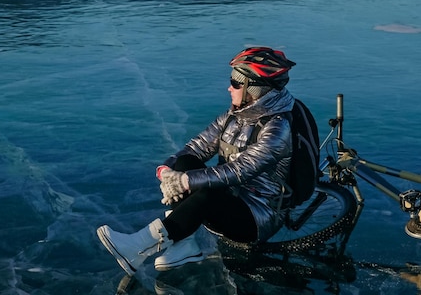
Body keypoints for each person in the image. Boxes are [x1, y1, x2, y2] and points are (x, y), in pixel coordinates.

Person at [97, 46, 297, 276]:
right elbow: (197, 147)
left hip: (258, 216)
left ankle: (139, 247)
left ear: (255, 89)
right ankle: (183, 246)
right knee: (186, 163)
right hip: (230, 198)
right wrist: (167, 169)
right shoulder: (235, 115)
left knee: (205, 192)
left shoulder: (277, 128)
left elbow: (241, 170)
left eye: (236, 82)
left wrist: (184, 182)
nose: (229, 87)